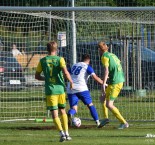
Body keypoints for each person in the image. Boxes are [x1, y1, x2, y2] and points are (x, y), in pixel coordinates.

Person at [35, 41, 73, 142]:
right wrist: (71, 81)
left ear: (47, 49)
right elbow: (65, 72)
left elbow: (37, 76)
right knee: (63, 111)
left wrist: (46, 78)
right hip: (60, 89)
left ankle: (62, 134)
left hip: (50, 90)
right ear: (56, 49)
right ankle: (67, 133)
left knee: (55, 114)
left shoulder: (43, 61)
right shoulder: (60, 59)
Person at [97, 41, 129, 129]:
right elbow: (117, 64)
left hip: (116, 82)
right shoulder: (112, 55)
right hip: (116, 80)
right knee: (102, 98)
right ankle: (105, 118)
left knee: (109, 104)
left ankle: (124, 123)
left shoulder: (104, 57)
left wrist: (103, 84)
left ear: (99, 50)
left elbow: (106, 70)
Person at [67, 54, 103, 127]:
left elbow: (66, 73)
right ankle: (98, 122)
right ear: (89, 61)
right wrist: (104, 83)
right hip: (82, 88)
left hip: (71, 88)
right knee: (90, 105)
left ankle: (70, 114)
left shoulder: (74, 65)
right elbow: (95, 77)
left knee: (74, 108)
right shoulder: (87, 67)